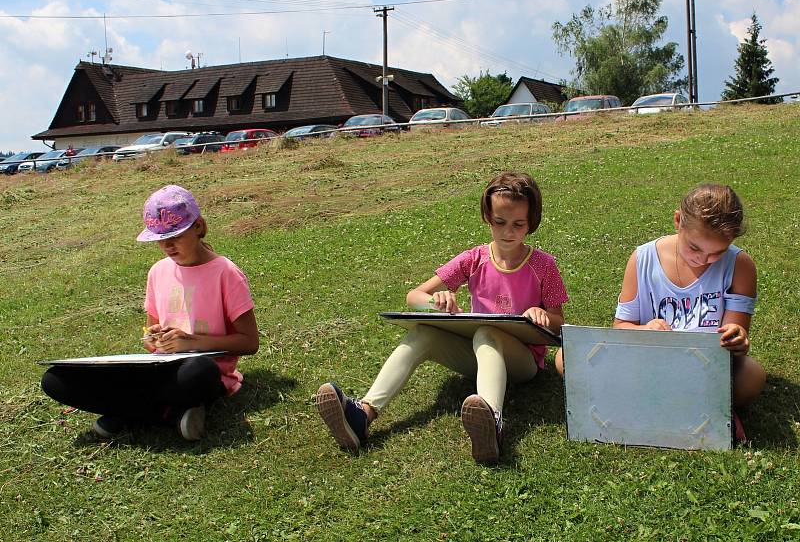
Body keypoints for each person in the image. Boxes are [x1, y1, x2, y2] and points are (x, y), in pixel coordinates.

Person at [315, 172, 568, 464]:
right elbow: (414, 296)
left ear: (531, 222)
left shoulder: (543, 265)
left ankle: (493, 423)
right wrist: (435, 303)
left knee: (488, 333)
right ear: (487, 216)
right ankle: (363, 414)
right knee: (424, 333)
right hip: (478, 356)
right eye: (500, 222)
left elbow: (560, 323)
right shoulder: (473, 259)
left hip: (522, 364)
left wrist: (543, 316)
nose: (507, 231)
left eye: (518, 224)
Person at [41, 185, 259, 440]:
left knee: (199, 371)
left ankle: (124, 412)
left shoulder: (226, 272)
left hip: (202, 371)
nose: (167, 246)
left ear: (198, 227)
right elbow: (150, 335)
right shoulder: (158, 272)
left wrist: (191, 342)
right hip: (160, 370)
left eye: (175, 236)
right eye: (159, 239)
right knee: (55, 379)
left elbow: (249, 342)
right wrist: (152, 337)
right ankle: (169, 415)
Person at [598, 183, 765, 442]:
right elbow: (621, 326)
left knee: (751, 376)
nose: (703, 260)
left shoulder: (740, 265)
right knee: (566, 358)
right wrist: (644, 330)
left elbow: (736, 334)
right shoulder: (643, 258)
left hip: (706, 369)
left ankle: (648, 403)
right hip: (648, 363)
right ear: (678, 221)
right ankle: (693, 404)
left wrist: (737, 337)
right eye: (695, 248)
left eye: (717, 253)